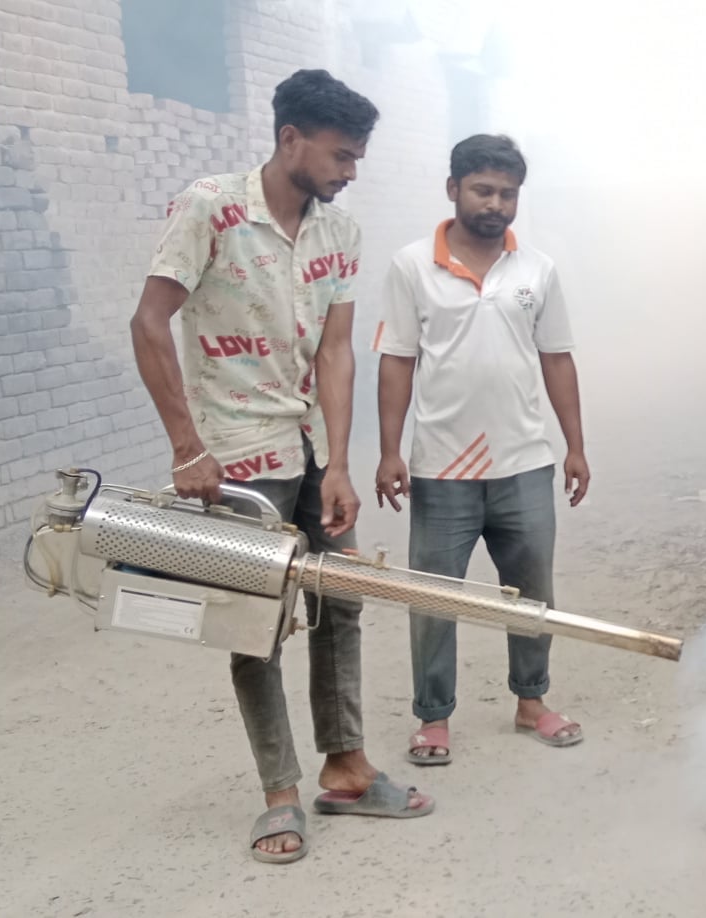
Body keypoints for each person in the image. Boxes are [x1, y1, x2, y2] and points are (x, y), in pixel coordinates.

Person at [128, 68, 434, 866]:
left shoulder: (340, 233)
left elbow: (336, 352)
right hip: (234, 456)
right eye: (341, 155)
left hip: (307, 448)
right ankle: (279, 793)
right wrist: (187, 448)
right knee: (253, 625)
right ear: (290, 138)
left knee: (343, 602)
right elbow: (150, 322)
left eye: (358, 157)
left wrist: (339, 463)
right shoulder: (210, 208)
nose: (350, 170)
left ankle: (346, 766)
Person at [373, 133, 591, 767]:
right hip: (442, 467)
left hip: (525, 461)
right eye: (483, 190)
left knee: (532, 593)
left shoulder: (537, 270)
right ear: (454, 189)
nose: (495, 204)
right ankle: (433, 716)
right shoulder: (412, 265)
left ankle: (532, 701)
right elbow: (397, 361)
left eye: (507, 194)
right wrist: (390, 451)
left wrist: (575, 446)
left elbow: (557, 358)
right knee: (433, 598)